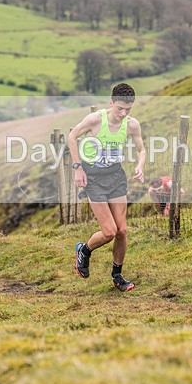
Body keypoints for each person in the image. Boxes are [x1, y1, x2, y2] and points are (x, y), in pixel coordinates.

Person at [69, 83, 146, 292]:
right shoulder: (95, 120)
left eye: (128, 109)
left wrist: (140, 166)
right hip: (93, 178)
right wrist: (78, 168)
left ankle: (117, 275)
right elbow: (72, 137)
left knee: (122, 230)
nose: (123, 113)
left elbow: (141, 149)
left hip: (115, 176)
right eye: (119, 108)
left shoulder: (132, 125)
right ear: (111, 102)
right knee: (109, 231)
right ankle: (84, 250)